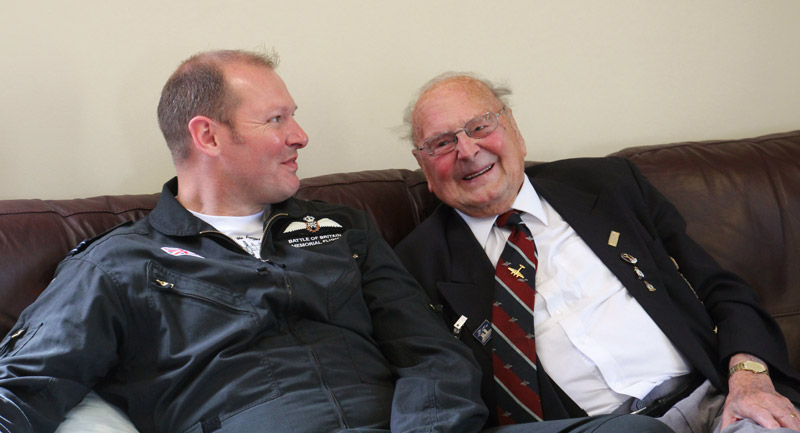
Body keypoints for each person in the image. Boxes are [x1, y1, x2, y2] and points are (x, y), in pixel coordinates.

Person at [0, 51, 673, 433]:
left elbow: (434, 353)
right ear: (207, 137)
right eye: (277, 118)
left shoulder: (342, 230)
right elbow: (22, 388)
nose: (301, 136)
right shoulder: (120, 264)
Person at [394, 73, 800, 433]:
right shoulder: (415, 268)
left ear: (513, 128)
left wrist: (749, 379)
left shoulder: (606, 186)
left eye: (479, 126)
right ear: (424, 167)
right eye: (442, 143)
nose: (467, 150)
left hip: (719, 403)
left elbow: (720, 288)